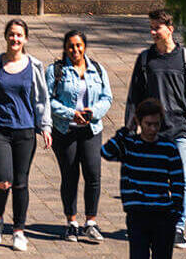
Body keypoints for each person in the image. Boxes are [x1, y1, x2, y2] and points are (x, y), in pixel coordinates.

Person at [125, 5, 186, 248]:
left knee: (178, 179)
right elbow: (133, 97)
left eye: (156, 28)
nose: (152, 33)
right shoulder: (145, 60)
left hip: (180, 130)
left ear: (170, 29)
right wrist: (129, 130)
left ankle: (178, 227)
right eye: (150, 28)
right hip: (152, 133)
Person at [0, 17, 53, 251]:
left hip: (25, 132)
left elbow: (41, 100)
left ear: (25, 39)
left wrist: (45, 127)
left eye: (19, 35)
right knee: (4, 179)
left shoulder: (34, 66)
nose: (15, 39)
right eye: (12, 34)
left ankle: (18, 231)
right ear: (6, 36)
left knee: (21, 183)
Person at [47, 28, 113, 242]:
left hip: (91, 130)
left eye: (78, 45)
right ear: (65, 48)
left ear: (84, 47)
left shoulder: (98, 70)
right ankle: (71, 222)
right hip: (66, 130)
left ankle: (91, 222)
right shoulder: (55, 70)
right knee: (70, 176)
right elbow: (47, 100)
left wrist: (93, 112)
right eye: (71, 46)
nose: (75, 49)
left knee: (93, 174)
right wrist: (70, 114)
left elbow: (107, 98)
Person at [102, 99, 186, 259]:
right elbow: (106, 152)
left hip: (162, 214)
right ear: (139, 122)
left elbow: (178, 182)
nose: (153, 128)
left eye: (156, 124)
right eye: (148, 124)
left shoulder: (168, 148)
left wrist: (175, 212)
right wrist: (125, 131)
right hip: (138, 214)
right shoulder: (129, 144)